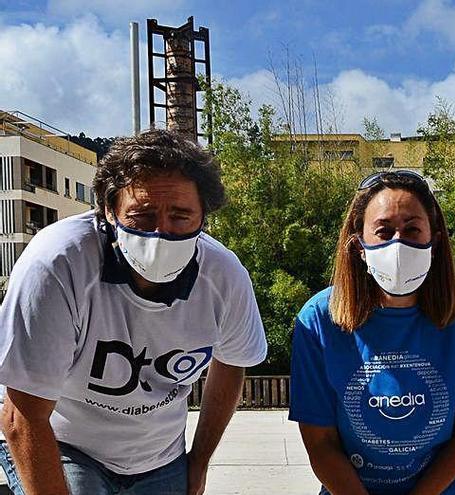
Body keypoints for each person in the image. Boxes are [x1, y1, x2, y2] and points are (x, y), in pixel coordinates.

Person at [0, 130, 267, 495]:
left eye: (180, 216)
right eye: (142, 216)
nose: (161, 233)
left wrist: (199, 461)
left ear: (204, 217)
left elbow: (232, 362)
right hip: (64, 441)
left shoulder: (224, 276)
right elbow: (23, 415)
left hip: (159, 454)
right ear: (109, 211)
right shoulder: (58, 264)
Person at [289, 170, 455, 495]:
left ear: (435, 240)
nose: (398, 243)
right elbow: (321, 442)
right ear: (359, 244)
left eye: (413, 230)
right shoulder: (318, 319)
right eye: (384, 231)